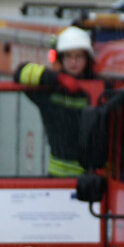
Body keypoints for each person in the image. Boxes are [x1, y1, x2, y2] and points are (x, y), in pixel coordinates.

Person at [15, 25, 95, 177]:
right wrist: (57, 78)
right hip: (57, 180)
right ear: (61, 59)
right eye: (68, 56)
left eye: (78, 56)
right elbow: (20, 73)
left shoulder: (98, 87)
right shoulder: (50, 90)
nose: (73, 62)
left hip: (92, 180)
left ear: (87, 59)